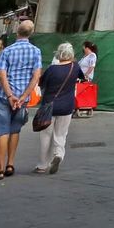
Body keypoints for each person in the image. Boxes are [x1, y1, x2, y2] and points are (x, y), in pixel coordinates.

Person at [0, 21, 43, 180]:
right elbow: (36, 76)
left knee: (2, 132)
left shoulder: (7, 51)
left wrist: (9, 95)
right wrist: (23, 97)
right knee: (15, 130)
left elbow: (2, 74)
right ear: (31, 33)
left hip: (5, 97)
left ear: (17, 32)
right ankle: (10, 164)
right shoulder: (35, 51)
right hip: (23, 98)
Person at [31, 42, 82, 175]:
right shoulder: (75, 67)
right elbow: (82, 77)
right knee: (61, 134)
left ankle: (42, 165)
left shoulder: (52, 69)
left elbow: (41, 83)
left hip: (49, 107)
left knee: (45, 135)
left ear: (58, 54)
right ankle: (58, 154)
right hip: (67, 107)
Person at [75, 41, 98, 117]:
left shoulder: (92, 55)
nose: (83, 48)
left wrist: (86, 75)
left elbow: (92, 66)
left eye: (83, 47)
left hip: (85, 78)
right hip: (79, 77)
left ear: (87, 48)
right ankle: (78, 106)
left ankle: (83, 107)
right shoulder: (84, 56)